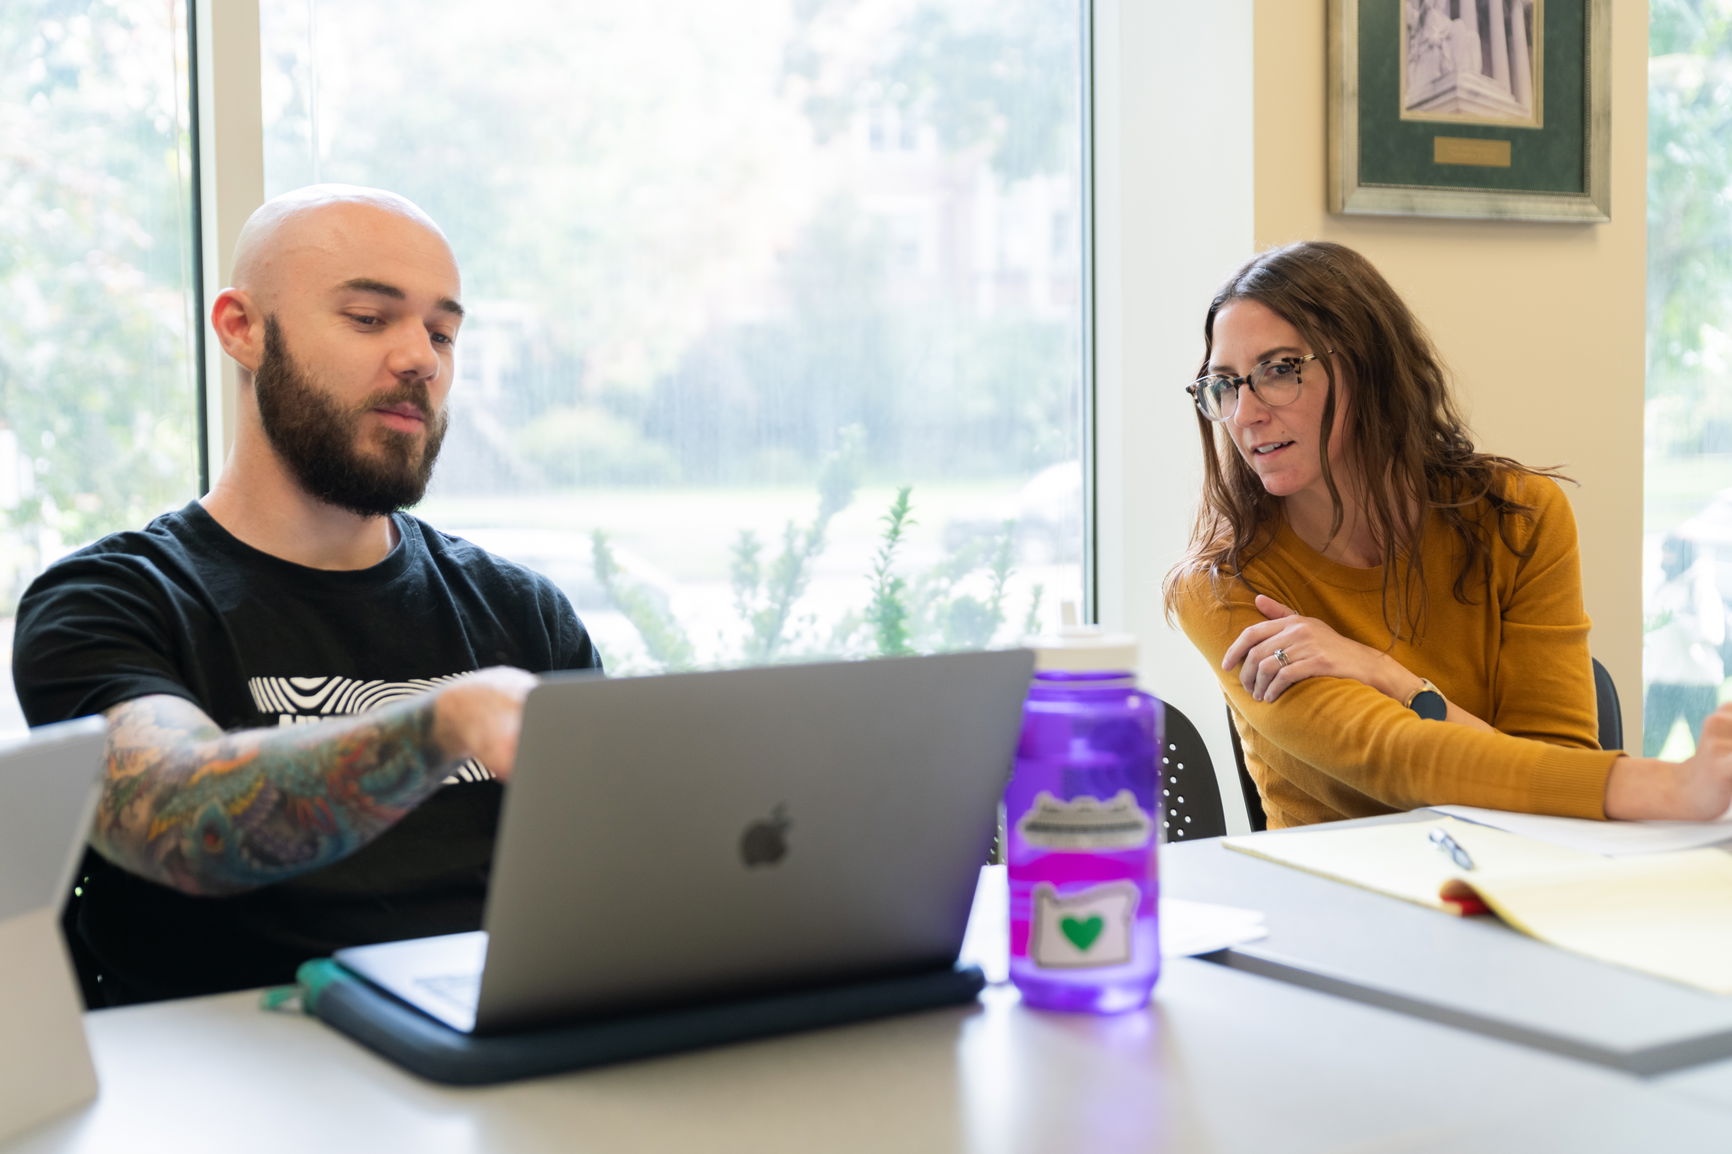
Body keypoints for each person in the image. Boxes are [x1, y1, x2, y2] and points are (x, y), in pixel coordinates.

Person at [12, 185, 601, 1005]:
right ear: (241, 329)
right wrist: (445, 722)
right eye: (369, 318)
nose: (420, 359)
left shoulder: (525, 614)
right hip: (225, 1089)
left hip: (486, 1062)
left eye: (441, 333)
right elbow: (178, 818)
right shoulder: (108, 602)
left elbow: (609, 881)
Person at [1163, 240, 1732, 829]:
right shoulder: (1218, 586)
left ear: (1368, 365)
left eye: (1280, 370)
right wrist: (1667, 786)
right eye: (1224, 385)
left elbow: (1561, 769)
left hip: (1517, 877)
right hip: (1335, 898)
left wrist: (1392, 678)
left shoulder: (1518, 516)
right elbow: (1393, 759)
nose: (1244, 414)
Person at [1643, 534, 1727, 757]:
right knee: (1648, 748)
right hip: (1662, 679)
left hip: (1696, 683)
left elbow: (1714, 633)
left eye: (1670, 551)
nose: (1665, 557)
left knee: (1707, 753)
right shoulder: (1663, 585)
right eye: (1664, 551)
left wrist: (1680, 620)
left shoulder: (1700, 587)